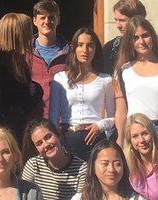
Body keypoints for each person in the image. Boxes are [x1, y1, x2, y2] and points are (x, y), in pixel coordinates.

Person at [114, 17, 158, 154]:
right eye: (135, 38)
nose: (141, 41)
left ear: (152, 37)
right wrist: (119, 144)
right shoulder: (123, 71)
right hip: (134, 136)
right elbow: (121, 112)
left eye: (145, 36)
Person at [48, 28, 119, 162]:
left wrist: (100, 125)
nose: (85, 50)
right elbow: (53, 116)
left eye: (90, 45)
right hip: (67, 137)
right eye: (80, 45)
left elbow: (113, 117)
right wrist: (57, 140)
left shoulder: (106, 80)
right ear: (74, 48)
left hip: (95, 139)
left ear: (96, 49)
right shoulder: (59, 78)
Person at [0, 12, 43, 146]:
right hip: (0, 131)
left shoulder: (21, 64)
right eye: (26, 33)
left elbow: (25, 104)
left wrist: (36, 90)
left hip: (17, 130)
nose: (29, 38)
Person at [28, 0, 69, 117]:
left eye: (51, 17)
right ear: (35, 21)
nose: (47, 21)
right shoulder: (24, 53)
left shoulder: (71, 52)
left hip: (63, 120)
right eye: (42, 17)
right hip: (33, 120)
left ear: (58, 20)